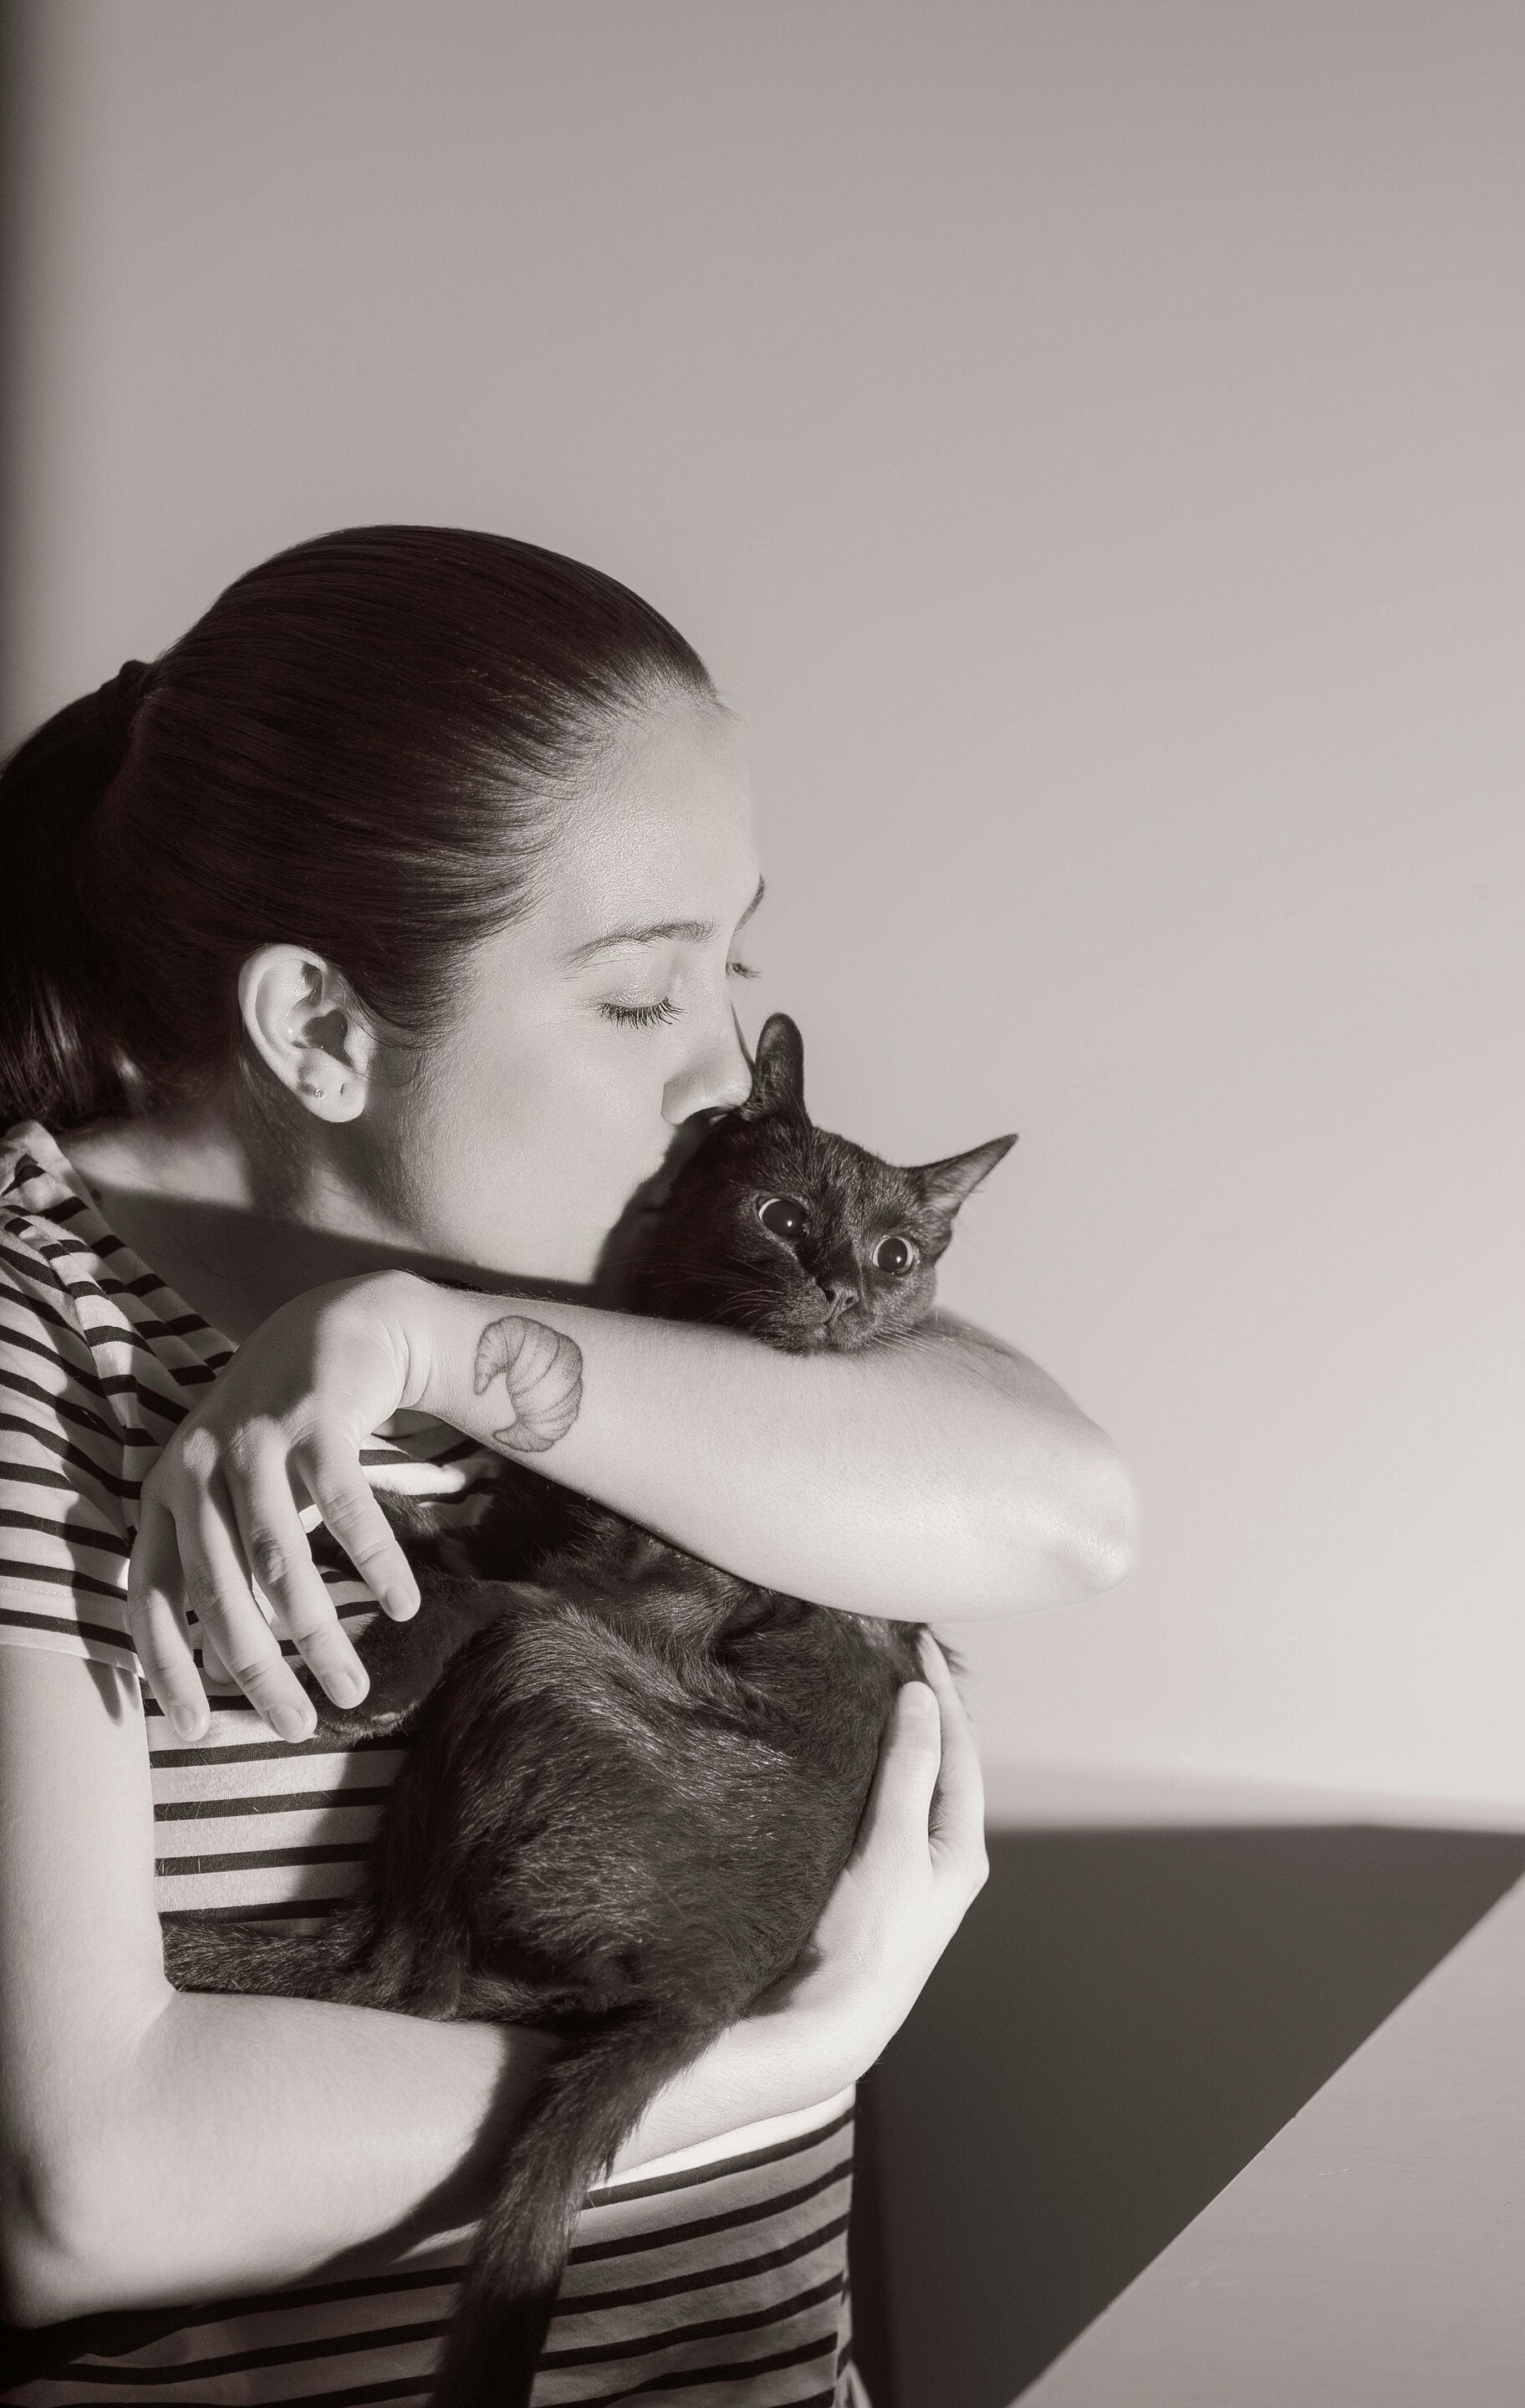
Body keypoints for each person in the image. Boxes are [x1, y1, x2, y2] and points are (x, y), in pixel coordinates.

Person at [0, 525, 1136, 2405]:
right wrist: (795, 2043)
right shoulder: (47, 1350)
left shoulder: (596, 1275)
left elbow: (1065, 1507)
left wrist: (430, 1343)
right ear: (322, 1029)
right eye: (638, 997)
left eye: (734, 965)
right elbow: (80, 2194)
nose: (725, 1078)